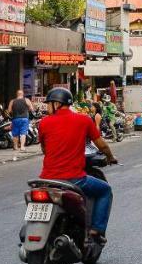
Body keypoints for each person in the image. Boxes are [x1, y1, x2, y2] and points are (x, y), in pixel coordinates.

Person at [38, 87, 117, 240]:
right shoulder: (84, 120)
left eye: (48, 104)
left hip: (46, 180)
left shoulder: (44, 123)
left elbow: (44, 148)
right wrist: (110, 157)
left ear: (56, 104)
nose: (47, 107)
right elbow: (102, 145)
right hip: (74, 179)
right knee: (105, 190)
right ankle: (96, 230)